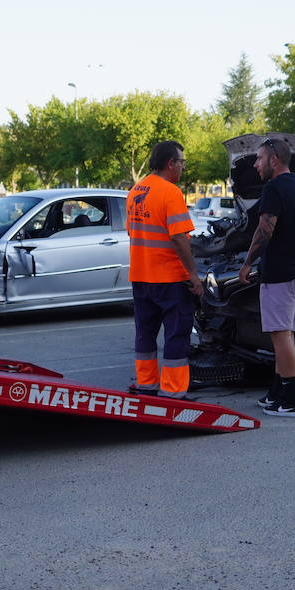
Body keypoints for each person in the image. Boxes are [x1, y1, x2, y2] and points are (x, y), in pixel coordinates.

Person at [238, 136, 295, 417]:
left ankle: (291, 400)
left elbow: (264, 230)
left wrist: (248, 262)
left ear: (274, 159)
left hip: (281, 276)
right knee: (284, 335)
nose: (256, 164)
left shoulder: (274, 188)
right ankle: (277, 393)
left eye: (259, 158)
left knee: (281, 335)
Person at [127, 140, 203, 399]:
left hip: (141, 275)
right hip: (169, 278)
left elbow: (133, 232)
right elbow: (179, 238)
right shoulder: (170, 192)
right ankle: (173, 391)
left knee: (145, 334)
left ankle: (146, 384)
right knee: (176, 334)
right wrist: (193, 274)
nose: (182, 167)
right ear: (170, 164)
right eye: (181, 162)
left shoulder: (136, 190)